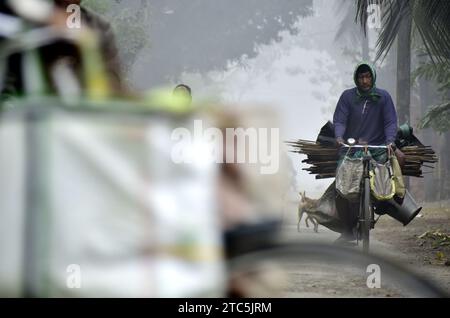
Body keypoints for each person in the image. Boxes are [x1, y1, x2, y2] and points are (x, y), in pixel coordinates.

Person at [332, 61, 399, 244]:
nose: (364, 80)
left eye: (368, 76)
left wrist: (390, 141)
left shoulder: (383, 97)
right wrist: (339, 137)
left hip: (377, 150)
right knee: (340, 187)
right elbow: (340, 120)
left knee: (388, 184)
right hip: (352, 150)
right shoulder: (347, 97)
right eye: (361, 77)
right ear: (356, 78)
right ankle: (347, 230)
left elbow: (390, 122)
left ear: (373, 77)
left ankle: (380, 205)